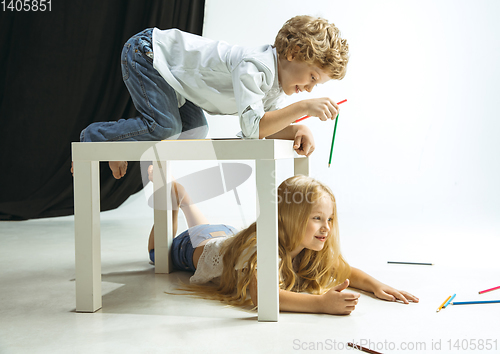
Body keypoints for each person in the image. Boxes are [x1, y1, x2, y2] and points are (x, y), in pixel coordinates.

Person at [75, 15, 350, 179]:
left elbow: (259, 129)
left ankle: (122, 142)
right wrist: (302, 108)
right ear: (294, 52)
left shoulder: (274, 86)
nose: (311, 89)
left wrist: (297, 129)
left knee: (195, 131)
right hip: (149, 53)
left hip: (178, 84)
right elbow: (254, 128)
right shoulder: (255, 66)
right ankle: (97, 137)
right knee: (166, 128)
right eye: (313, 77)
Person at [149, 175, 419, 315]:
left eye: (330, 219)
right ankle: (175, 201)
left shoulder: (303, 245)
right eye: (316, 218)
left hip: (229, 238)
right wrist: (321, 304)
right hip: (193, 249)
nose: (326, 227)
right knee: (155, 253)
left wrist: (377, 286)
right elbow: (262, 295)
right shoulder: (263, 249)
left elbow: (342, 269)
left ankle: (184, 198)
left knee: (210, 233)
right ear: (290, 218)